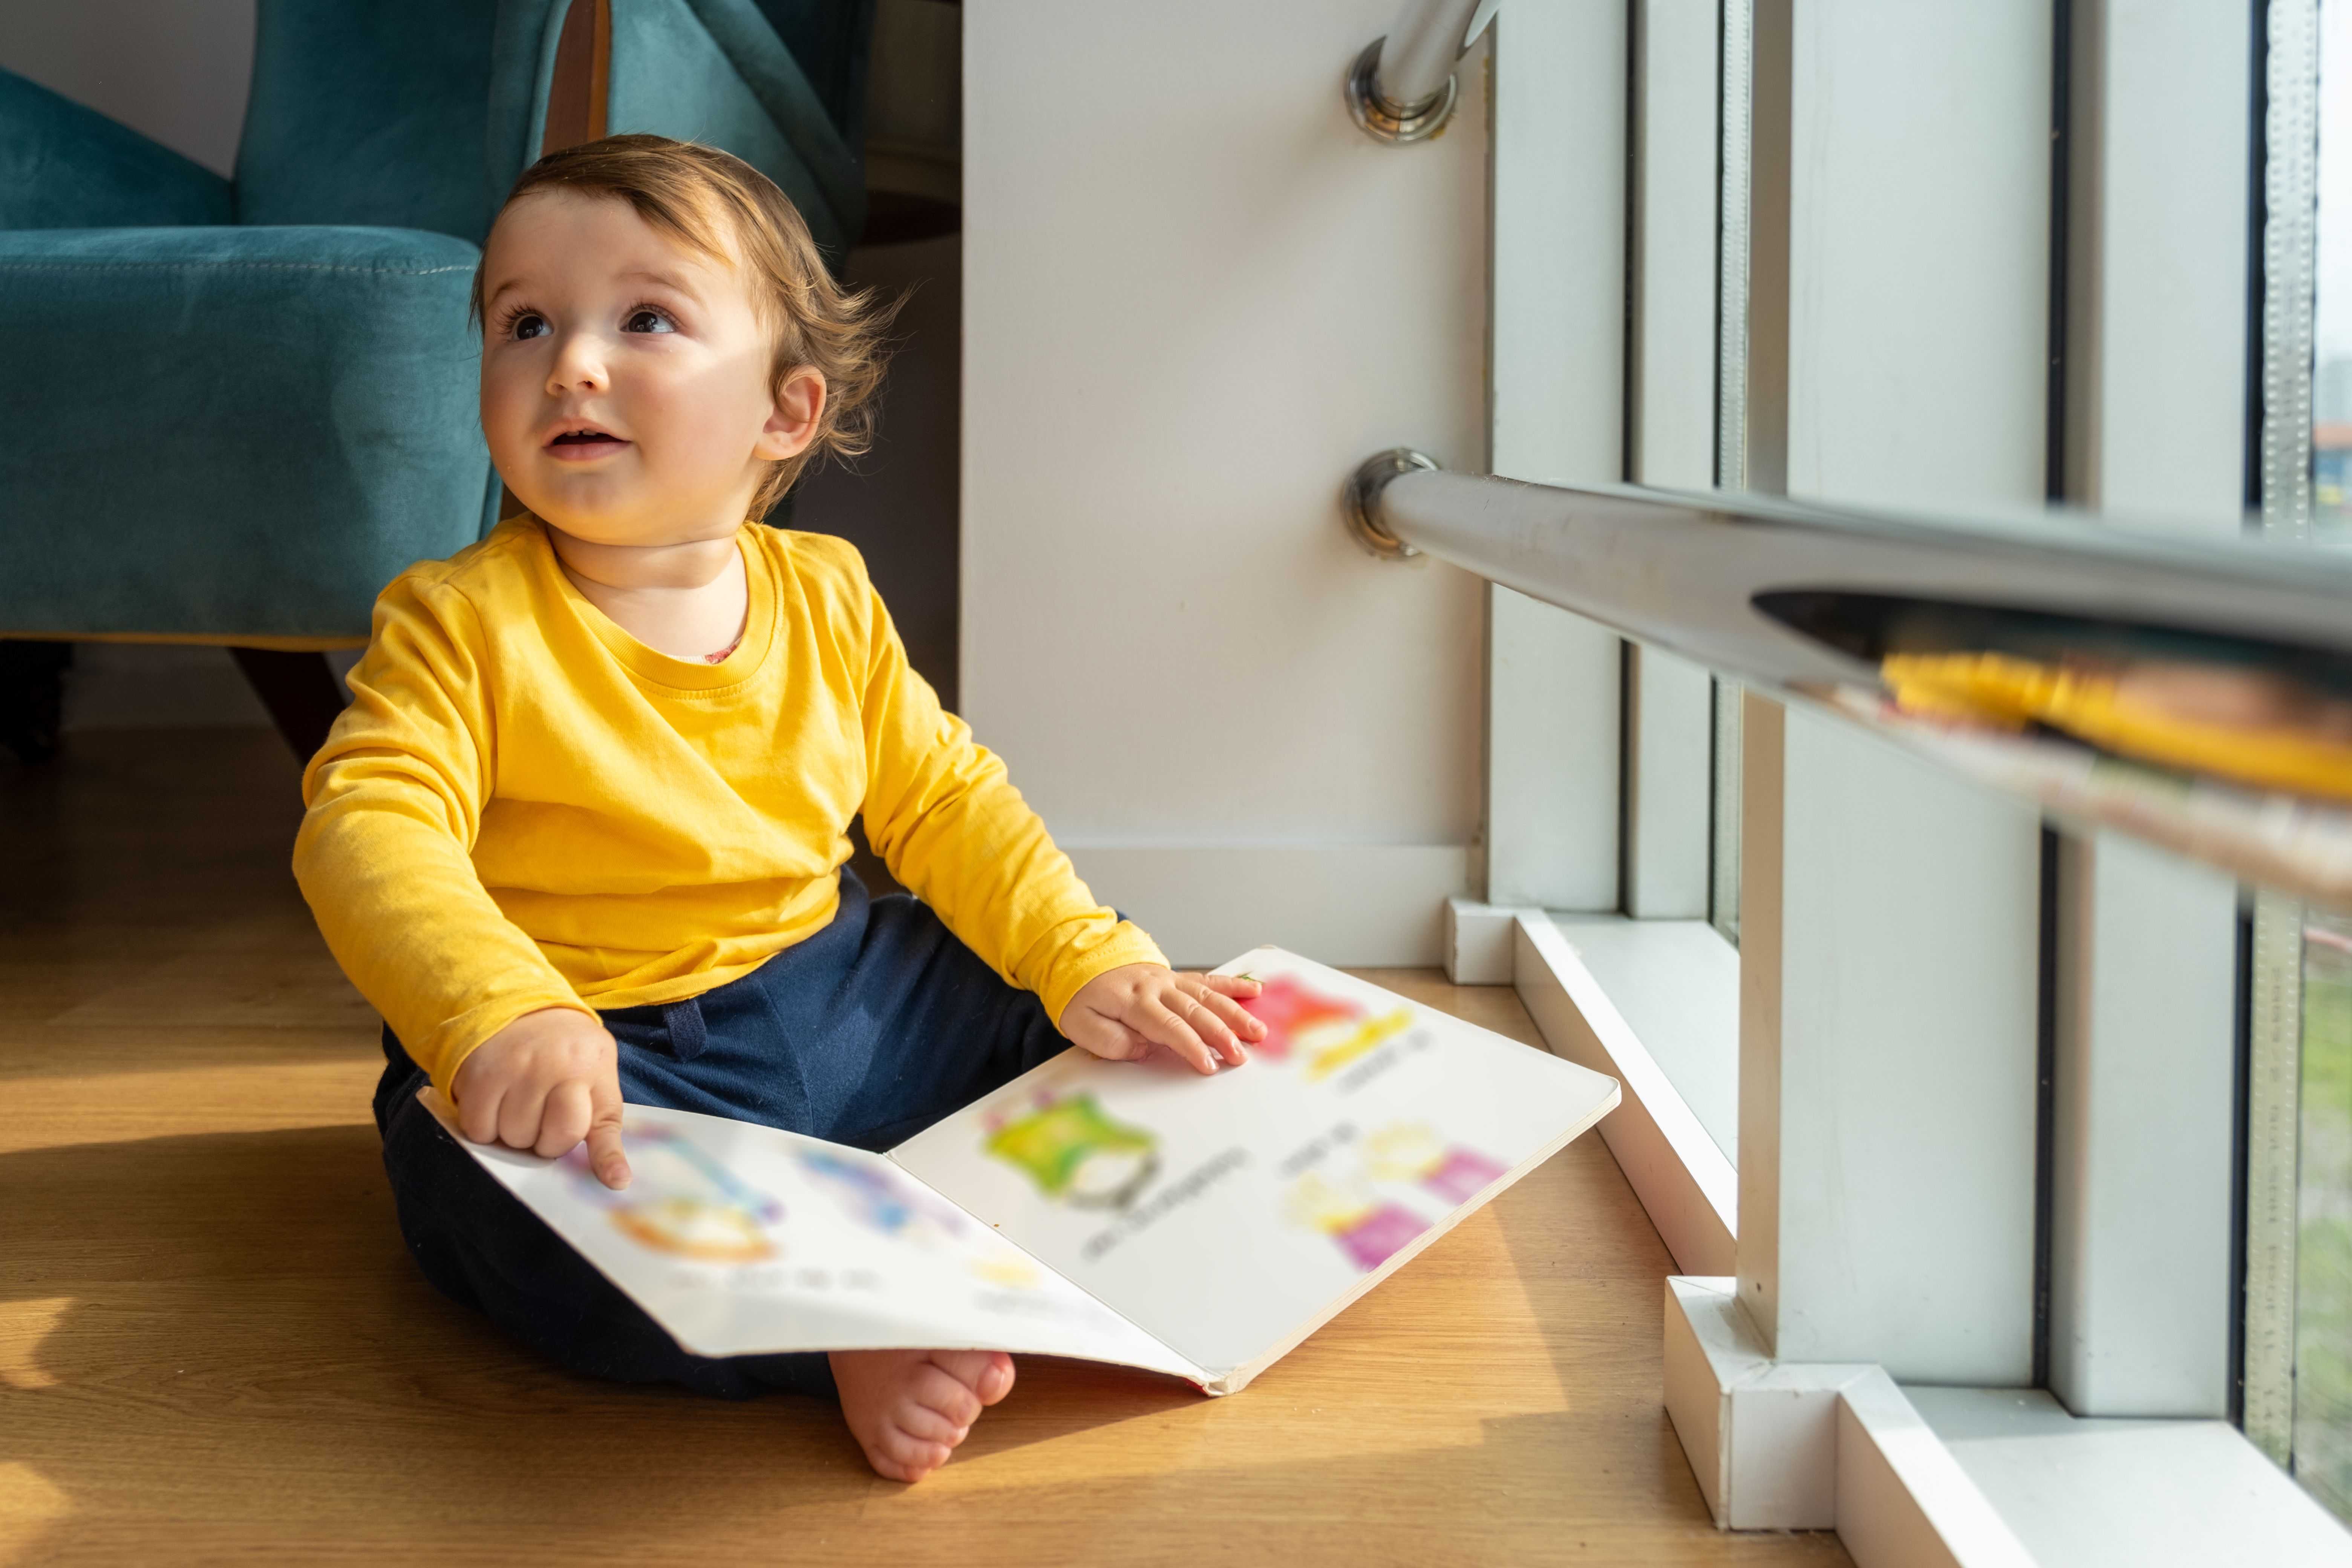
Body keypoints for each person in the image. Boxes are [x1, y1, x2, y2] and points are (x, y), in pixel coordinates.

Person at [293, 134, 1266, 1483]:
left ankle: (1181, 1174)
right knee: (491, 1187)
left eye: (644, 319)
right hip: (609, 1060)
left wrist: (1080, 951)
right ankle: (833, 1335)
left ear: (784, 413)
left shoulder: (826, 595)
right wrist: (493, 1014)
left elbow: (941, 797)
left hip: (838, 993)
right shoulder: (462, 625)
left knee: (1056, 1000)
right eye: (524, 323)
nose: (569, 361)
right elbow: (368, 825)